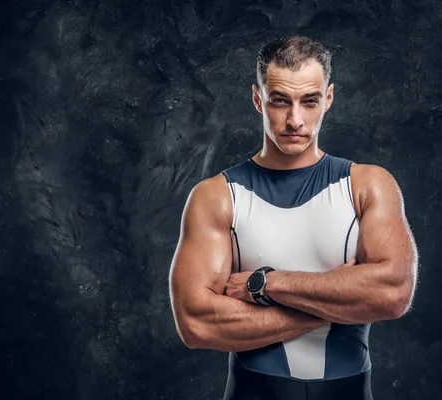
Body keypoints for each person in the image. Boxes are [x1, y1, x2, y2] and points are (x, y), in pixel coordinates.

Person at [168, 36, 418, 400]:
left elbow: (393, 292)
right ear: (258, 99)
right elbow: (196, 323)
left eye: (310, 101)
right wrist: (336, 304)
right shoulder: (217, 197)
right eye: (280, 101)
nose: (294, 120)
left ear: (328, 99)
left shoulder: (367, 185)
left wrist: (265, 284)